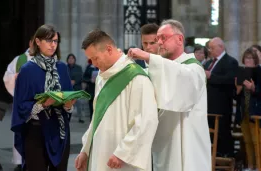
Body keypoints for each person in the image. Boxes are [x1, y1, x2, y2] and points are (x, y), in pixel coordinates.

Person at [127, 19, 211, 171]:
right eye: (157, 38)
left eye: (163, 38)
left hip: (187, 143)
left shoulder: (193, 67)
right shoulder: (159, 68)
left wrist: (148, 57)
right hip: (163, 142)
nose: (159, 43)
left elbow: (179, 77)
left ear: (179, 39)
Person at [75, 29, 158, 171]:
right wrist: (86, 150)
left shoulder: (137, 77)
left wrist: (123, 153)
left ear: (108, 49)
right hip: (100, 151)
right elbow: (97, 117)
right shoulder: (102, 77)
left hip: (122, 159)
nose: (94, 64)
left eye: (95, 58)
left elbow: (146, 121)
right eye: (91, 60)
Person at [11, 24, 75, 171]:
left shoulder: (62, 68)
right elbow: (20, 106)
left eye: (55, 41)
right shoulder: (27, 70)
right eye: (48, 41)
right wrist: (43, 104)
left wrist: (69, 105)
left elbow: (68, 98)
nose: (53, 45)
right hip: (36, 132)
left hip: (60, 131)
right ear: (38, 42)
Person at [204, 37, 238, 157]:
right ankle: (213, 157)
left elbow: (230, 80)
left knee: (223, 132)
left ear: (221, 47)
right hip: (208, 104)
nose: (210, 50)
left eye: (212, 48)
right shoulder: (208, 62)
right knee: (211, 133)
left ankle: (226, 156)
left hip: (222, 104)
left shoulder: (230, 61)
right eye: (209, 48)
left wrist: (211, 76)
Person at [3, 38, 34, 171]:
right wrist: (14, 77)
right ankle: (20, 161)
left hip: (38, 105)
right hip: (22, 104)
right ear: (30, 43)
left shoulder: (44, 59)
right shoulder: (19, 60)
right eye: (34, 43)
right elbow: (7, 77)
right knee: (22, 132)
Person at [235, 48, 261, 170]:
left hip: (255, 111)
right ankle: (250, 166)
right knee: (247, 141)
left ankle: (259, 166)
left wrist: (253, 88)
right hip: (243, 111)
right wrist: (238, 90)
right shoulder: (241, 72)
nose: (248, 60)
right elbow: (235, 96)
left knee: (257, 141)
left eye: (251, 58)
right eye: (246, 58)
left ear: (256, 60)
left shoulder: (259, 72)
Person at [66, 53, 84, 123]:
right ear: (67, 60)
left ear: (74, 60)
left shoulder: (78, 67)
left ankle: (80, 118)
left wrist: (75, 81)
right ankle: (67, 117)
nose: (70, 60)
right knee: (68, 104)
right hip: (68, 89)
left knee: (79, 103)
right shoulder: (65, 67)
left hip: (76, 88)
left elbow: (80, 76)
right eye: (69, 58)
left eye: (72, 58)